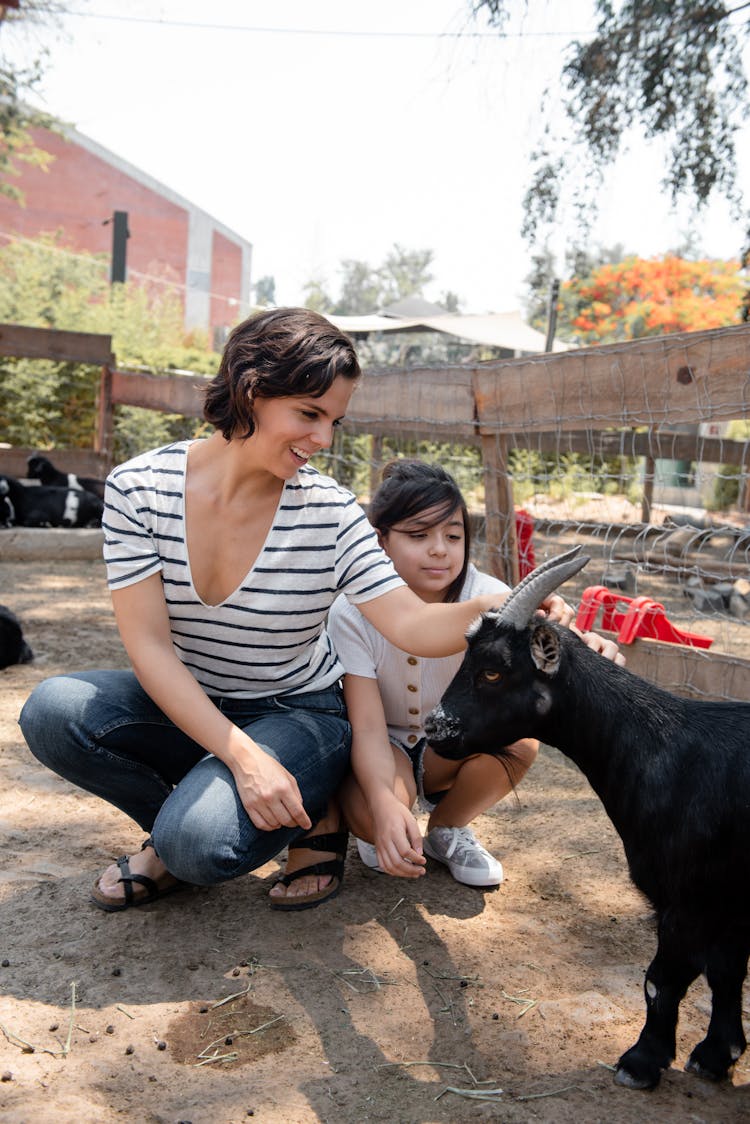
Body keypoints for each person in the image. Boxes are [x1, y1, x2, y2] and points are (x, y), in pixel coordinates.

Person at [19, 308, 576, 915]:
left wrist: (500, 605)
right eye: (310, 414)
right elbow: (149, 647)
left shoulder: (331, 513)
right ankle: (193, 822)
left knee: (198, 846)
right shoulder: (138, 488)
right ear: (252, 391)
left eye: (334, 419)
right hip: (193, 704)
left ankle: (259, 822)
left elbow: (410, 623)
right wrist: (241, 757)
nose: (325, 438)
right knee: (54, 711)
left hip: (295, 711)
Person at [329, 459, 623, 888]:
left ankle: (447, 829)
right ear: (380, 541)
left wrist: (591, 652)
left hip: (452, 741)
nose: (439, 549)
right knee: (374, 817)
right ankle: (388, 821)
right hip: (384, 744)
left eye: (453, 535)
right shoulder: (353, 610)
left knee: (520, 742)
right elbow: (369, 726)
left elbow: (552, 639)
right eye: (418, 535)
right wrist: (383, 802)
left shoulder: (488, 596)